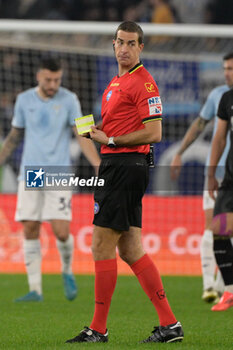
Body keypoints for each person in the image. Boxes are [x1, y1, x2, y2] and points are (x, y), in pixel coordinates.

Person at [66, 21, 184, 344]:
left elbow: (155, 132)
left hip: (124, 166)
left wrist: (113, 139)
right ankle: (170, 325)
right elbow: (115, 125)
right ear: (113, 44)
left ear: (141, 48)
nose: (124, 48)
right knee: (131, 249)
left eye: (131, 43)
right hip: (119, 165)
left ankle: (98, 329)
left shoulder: (145, 83)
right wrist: (96, 130)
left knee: (100, 245)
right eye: (120, 42)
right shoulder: (115, 83)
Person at [0, 57, 100, 302]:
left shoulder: (70, 99)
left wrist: (98, 163)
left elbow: (83, 133)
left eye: (57, 80)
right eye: (48, 80)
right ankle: (35, 289)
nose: (53, 84)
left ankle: (67, 270)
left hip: (58, 172)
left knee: (61, 231)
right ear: (38, 76)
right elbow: (15, 135)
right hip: (31, 172)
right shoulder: (24, 100)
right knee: (30, 227)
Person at [170, 52, 233, 303]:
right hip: (220, 172)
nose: (227, 72)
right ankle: (210, 286)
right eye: (225, 68)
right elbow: (200, 125)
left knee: (225, 232)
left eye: (231, 68)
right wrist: (180, 152)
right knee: (214, 228)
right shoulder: (220, 96)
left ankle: (223, 287)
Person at [207, 84, 233, 311]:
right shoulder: (227, 98)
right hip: (230, 179)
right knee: (219, 229)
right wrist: (211, 173)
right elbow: (220, 138)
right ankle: (230, 290)